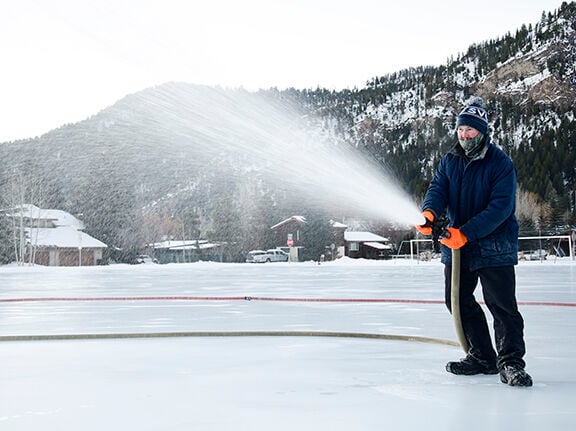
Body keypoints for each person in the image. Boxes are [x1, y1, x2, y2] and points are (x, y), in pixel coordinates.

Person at [416, 96, 533, 387]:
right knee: (456, 301)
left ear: (482, 131)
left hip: (494, 246)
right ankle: (482, 356)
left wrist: (466, 232)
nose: (464, 135)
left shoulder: (500, 163)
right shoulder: (450, 160)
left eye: (470, 130)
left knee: (502, 305)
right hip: (457, 247)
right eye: (460, 129)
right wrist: (429, 212)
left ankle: (511, 363)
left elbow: (500, 208)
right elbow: (437, 188)